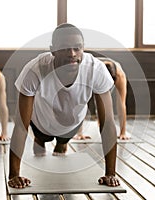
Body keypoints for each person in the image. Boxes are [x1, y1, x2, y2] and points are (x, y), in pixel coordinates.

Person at [8, 23, 120, 188]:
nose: (72, 54)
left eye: (77, 48)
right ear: (52, 50)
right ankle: (40, 140)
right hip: (41, 123)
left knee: (62, 142)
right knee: (42, 140)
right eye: (65, 48)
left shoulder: (96, 69)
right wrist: (14, 175)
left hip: (71, 123)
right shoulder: (34, 70)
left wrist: (110, 173)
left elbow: (108, 123)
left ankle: (62, 143)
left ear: (83, 48)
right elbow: (20, 126)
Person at [73, 57, 128, 140]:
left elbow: (121, 104)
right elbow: (81, 101)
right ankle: (80, 132)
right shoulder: (91, 70)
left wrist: (123, 133)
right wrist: (79, 133)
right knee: (83, 99)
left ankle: (106, 125)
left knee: (114, 102)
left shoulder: (119, 75)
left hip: (113, 73)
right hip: (91, 73)